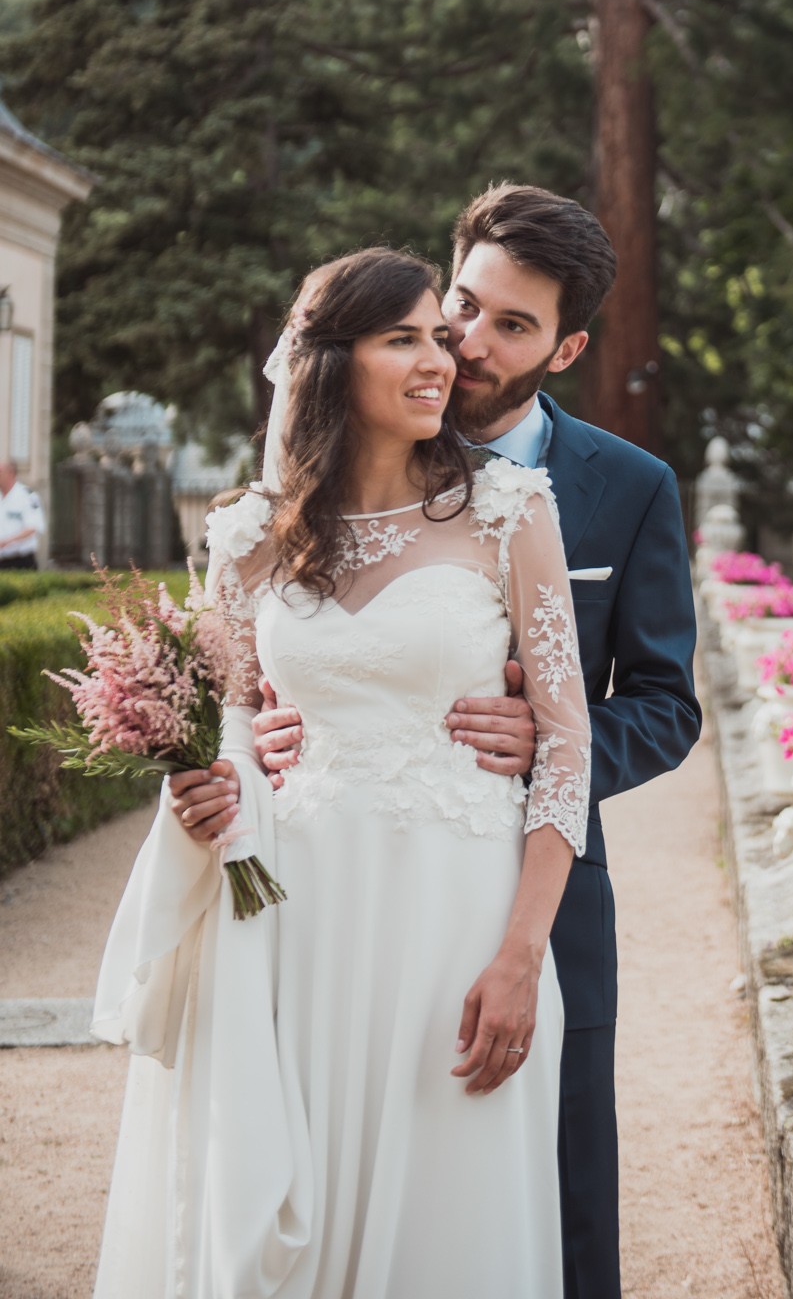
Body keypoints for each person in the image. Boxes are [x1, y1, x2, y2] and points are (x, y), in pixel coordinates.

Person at [179, 186, 703, 1299]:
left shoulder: (617, 490)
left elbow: (665, 701)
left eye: (508, 325)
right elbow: (261, 659)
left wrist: (548, 738)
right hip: (323, 890)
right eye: (457, 306)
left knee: (546, 1211)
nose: (462, 344)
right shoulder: (310, 476)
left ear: (562, 345)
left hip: (520, 889)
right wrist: (267, 723)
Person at [95, 246, 590, 1298]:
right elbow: (225, 715)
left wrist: (519, 953)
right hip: (292, 908)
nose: (441, 359)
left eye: (435, 336)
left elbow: (567, 745)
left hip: (459, 910)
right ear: (328, 363)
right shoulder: (248, 538)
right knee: (292, 1205)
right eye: (401, 337)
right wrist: (210, 784)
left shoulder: (509, 510)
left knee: (449, 1204)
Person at [0, 458, 44, 570]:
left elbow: (33, 527)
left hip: (21, 561)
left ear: (10, 473)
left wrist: (6, 541)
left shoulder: (27, 496)